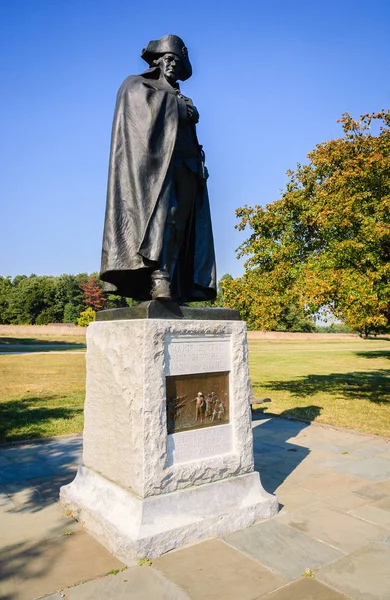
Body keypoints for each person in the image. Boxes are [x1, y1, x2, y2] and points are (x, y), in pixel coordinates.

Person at [100, 35, 217, 303]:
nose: (173, 64)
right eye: (168, 59)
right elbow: (142, 119)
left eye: (177, 60)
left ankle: (174, 282)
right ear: (157, 61)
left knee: (182, 227)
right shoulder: (137, 85)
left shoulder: (180, 95)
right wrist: (178, 107)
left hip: (187, 167)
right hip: (155, 170)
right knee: (165, 218)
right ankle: (158, 278)